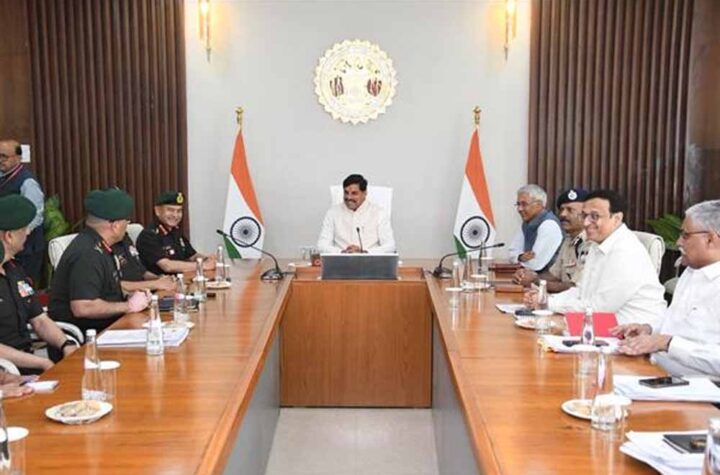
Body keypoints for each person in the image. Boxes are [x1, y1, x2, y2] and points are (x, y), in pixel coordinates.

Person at [525, 189, 666, 325]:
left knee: (542, 330)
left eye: (594, 216)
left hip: (632, 330)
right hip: (600, 322)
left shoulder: (626, 251)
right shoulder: (596, 244)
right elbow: (581, 291)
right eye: (584, 215)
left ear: (617, 218)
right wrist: (545, 298)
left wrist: (548, 303)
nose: (586, 223)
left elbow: (599, 308)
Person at [612, 200, 720, 377]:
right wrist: (648, 329)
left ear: (710, 239)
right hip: (657, 370)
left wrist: (667, 343)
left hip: (701, 387)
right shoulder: (692, 271)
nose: (678, 242)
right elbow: (675, 322)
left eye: (685, 235)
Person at [49, 188, 150, 333]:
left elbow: (107, 289)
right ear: (115, 226)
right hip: (89, 336)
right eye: (126, 222)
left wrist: (133, 296)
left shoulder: (101, 246)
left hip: (109, 325)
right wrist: (128, 306)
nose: (127, 226)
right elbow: (83, 307)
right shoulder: (87, 254)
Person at [0, 195, 79, 374]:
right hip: (7, 371)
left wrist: (66, 344)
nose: (28, 233)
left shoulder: (14, 269)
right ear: (9, 236)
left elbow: (40, 320)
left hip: (27, 364)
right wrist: (42, 363)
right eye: (24, 228)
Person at [513, 188, 590, 292]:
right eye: (562, 209)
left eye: (570, 210)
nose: (563, 214)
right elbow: (554, 275)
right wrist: (526, 276)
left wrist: (536, 282)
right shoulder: (568, 240)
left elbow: (576, 287)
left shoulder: (590, 243)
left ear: (586, 215)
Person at [136, 191, 216, 275]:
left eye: (179, 211)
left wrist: (207, 259)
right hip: (160, 282)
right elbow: (167, 266)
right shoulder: (149, 236)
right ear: (157, 211)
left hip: (182, 279)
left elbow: (192, 256)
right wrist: (202, 265)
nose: (175, 215)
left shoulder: (175, 231)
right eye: (170, 210)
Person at [0, 139, 45, 283]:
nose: (0, 160)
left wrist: (19, 234)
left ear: (18, 158)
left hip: (26, 249)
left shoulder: (28, 182)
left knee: (23, 287)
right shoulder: (3, 176)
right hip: (7, 245)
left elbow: (36, 215)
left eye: (4, 156)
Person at [317, 174, 395, 253]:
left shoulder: (379, 213)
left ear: (365, 193)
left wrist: (364, 252)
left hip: (370, 259)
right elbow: (321, 245)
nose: (349, 197)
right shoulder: (333, 213)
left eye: (354, 193)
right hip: (341, 258)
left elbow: (390, 246)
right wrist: (343, 252)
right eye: (346, 192)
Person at [507, 184, 563, 272]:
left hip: (548, 277)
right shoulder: (526, 223)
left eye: (524, 204)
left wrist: (518, 259)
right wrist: (520, 257)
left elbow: (535, 264)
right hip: (530, 276)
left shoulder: (549, 225)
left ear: (539, 205)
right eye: (518, 204)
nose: (519, 209)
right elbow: (511, 253)